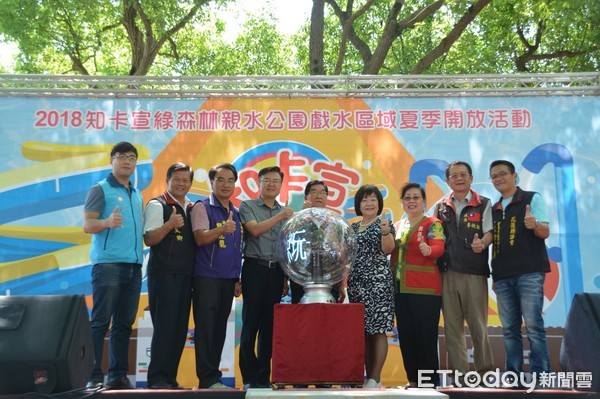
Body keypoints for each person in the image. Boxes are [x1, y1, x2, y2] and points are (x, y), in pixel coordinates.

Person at [83, 141, 143, 390]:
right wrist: (107, 222)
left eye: (131, 157)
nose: (127, 161)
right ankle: (92, 375)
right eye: (121, 156)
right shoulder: (100, 189)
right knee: (100, 322)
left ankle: (117, 375)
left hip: (134, 266)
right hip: (108, 265)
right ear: (112, 160)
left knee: (124, 324)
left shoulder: (136, 193)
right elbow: (88, 225)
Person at [489, 160, 551, 377]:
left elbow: (545, 232)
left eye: (503, 174)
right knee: (509, 330)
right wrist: (495, 277)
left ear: (514, 176)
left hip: (530, 273)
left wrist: (534, 225)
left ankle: (541, 375)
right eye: (494, 176)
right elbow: (493, 242)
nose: (499, 179)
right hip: (503, 277)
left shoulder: (531, 198)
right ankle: (513, 375)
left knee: (534, 327)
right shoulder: (493, 208)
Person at [433, 161, 494, 384]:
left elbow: (489, 232)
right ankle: (459, 377)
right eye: (454, 176)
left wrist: (483, 244)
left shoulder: (484, 203)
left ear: (470, 178)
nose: (459, 179)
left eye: (463, 175)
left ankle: (485, 374)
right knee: (452, 327)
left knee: (478, 326)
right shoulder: (440, 206)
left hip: (474, 273)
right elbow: (434, 234)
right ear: (448, 181)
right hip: (446, 273)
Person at [239, 166, 293, 389]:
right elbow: (255, 231)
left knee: (269, 328)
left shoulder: (285, 212)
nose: (271, 184)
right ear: (258, 184)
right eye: (266, 180)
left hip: (276, 272)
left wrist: (286, 279)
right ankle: (249, 377)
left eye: (276, 181)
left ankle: (263, 377)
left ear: (281, 185)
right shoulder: (248, 206)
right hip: (254, 269)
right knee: (251, 324)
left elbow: (285, 247)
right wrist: (281, 216)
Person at [190, 163, 243, 389]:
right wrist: (222, 229)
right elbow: (200, 238)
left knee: (219, 329)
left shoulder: (237, 212)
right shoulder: (202, 207)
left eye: (230, 180)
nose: (225, 184)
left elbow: (236, 248)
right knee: (206, 329)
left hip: (228, 280)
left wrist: (237, 277)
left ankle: (213, 376)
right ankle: (207, 378)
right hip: (206, 277)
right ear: (211, 182)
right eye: (220, 179)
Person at [143, 163, 196, 390]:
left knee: (178, 329)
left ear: (191, 183)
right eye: (177, 179)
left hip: (186, 276)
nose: (181, 183)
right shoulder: (157, 204)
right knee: (165, 327)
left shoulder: (192, 207)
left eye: (186, 180)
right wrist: (170, 224)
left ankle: (170, 379)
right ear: (167, 179)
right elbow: (150, 239)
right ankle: (156, 379)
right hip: (164, 274)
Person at [391, 182, 445, 388]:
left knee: (425, 336)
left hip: (425, 290)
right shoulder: (397, 226)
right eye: (407, 198)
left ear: (423, 201)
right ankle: (413, 379)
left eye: (416, 197)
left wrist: (428, 250)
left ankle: (429, 381)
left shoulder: (433, 223)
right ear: (402, 202)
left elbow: (438, 248)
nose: (411, 201)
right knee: (406, 335)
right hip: (400, 290)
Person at [348, 185, 395, 388]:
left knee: (378, 331)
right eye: (365, 200)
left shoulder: (384, 224)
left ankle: (375, 377)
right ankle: (368, 376)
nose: (369, 203)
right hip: (357, 283)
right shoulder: (353, 227)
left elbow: (388, 249)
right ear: (359, 204)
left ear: (379, 204)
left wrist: (385, 232)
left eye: (373, 199)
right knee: (363, 332)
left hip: (378, 283)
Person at [290, 180, 342, 304]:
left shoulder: (335, 221)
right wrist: (303, 216)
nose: (318, 196)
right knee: (302, 319)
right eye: (314, 192)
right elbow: (290, 247)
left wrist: (340, 281)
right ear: (306, 197)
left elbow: (341, 250)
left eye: (322, 193)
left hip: (329, 278)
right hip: (302, 278)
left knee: (326, 318)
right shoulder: (295, 220)